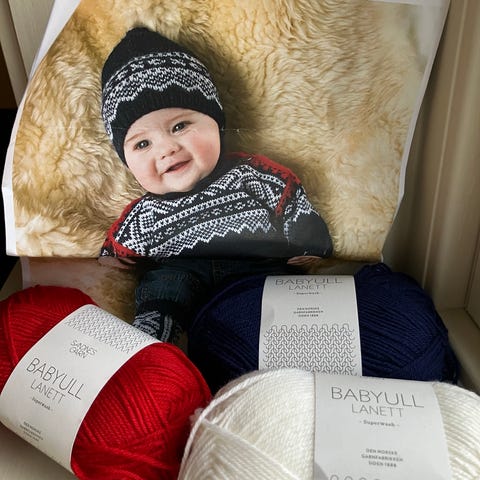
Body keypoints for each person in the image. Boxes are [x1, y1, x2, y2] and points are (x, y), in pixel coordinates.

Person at [99, 26, 333, 341]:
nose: (166, 149)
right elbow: (117, 248)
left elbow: (292, 202)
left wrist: (312, 245)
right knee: (161, 287)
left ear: (216, 123)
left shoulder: (250, 173)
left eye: (179, 126)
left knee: (280, 290)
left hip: (254, 267)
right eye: (143, 144)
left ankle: (281, 341)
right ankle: (154, 339)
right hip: (181, 272)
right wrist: (111, 259)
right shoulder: (144, 213)